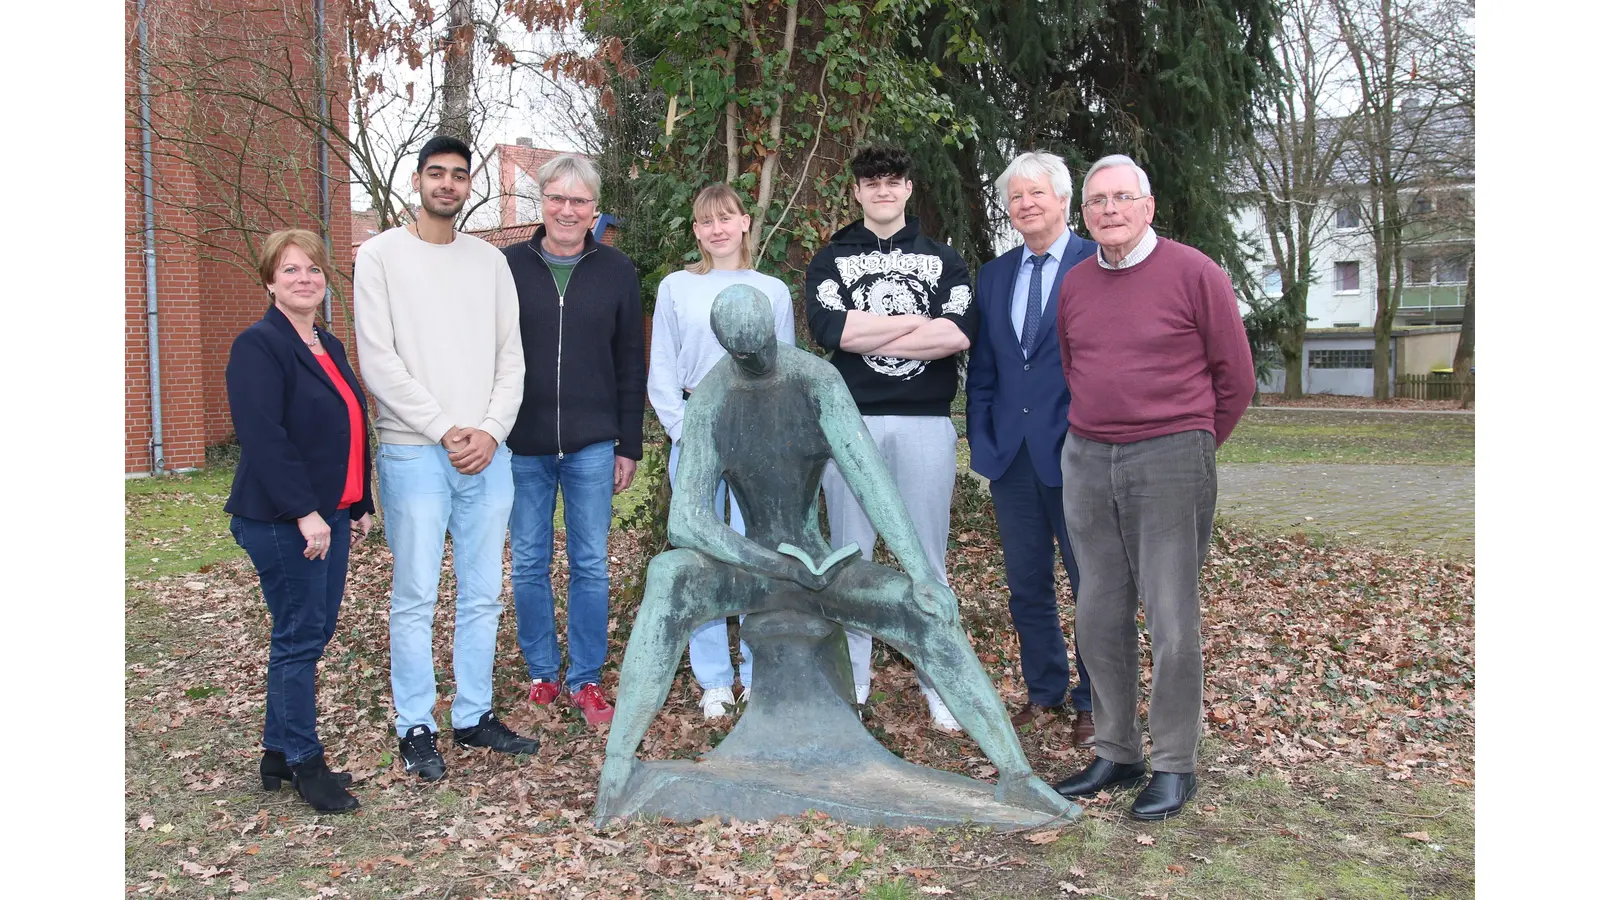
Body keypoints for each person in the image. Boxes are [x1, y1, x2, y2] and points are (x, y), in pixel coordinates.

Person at [594, 285, 1071, 822]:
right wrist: (772, 563)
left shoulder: (816, 380)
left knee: (925, 608)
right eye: (741, 354)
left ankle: (1018, 776)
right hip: (752, 568)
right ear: (727, 347)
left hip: (818, 566)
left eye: (760, 350)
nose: (753, 362)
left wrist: (919, 572)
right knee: (668, 576)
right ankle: (619, 766)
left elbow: (871, 480)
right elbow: (688, 521)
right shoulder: (711, 396)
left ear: (773, 335)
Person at [1049, 154, 1253, 821]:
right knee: (1098, 613)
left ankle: (1174, 763)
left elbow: (1236, 380)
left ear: (1148, 205)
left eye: (1120, 198)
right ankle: (1116, 749)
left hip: (1170, 458)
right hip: (1086, 458)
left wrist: (1189, 445)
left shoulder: (1196, 273)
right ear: (1085, 214)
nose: (1108, 210)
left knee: (1171, 619)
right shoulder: (1076, 283)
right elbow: (1077, 365)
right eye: (1096, 201)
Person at [354, 135, 538, 781]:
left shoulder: (489, 263)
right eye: (437, 174)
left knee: (484, 592)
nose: (448, 185)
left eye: (459, 176)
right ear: (417, 180)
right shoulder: (378, 257)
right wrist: (443, 429)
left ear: (468, 186)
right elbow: (378, 359)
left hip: (489, 454)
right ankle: (415, 724)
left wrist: (489, 430)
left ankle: (474, 714)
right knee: (415, 595)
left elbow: (511, 358)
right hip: (413, 452)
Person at [804, 144, 975, 732]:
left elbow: (954, 337)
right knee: (850, 555)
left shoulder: (944, 260)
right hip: (851, 425)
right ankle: (853, 681)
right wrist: (916, 327)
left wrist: (871, 332)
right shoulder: (831, 260)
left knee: (926, 556)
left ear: (908, 188)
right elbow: (833, 331)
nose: (882, 190)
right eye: (871, 182)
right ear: (857, 191)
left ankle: (940, 681)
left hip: (926, 423)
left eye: (893, 180)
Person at [225, 229, 374, 813]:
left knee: (307, 632)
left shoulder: (326, 344)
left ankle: (277, 753)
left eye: (312, 268)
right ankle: (306, 764)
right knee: (300, 636)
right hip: (285, 519)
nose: (304, 278)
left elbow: (346, 424)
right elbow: (265, 437)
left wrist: (357, 501)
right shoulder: (258, 345)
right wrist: (307, 512)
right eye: (290, 270)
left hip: (331, 515)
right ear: (269, 280)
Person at [502, 153, 646, 728]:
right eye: (557, 198)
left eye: (579, 201)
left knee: (591, 563)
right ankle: (542, 671)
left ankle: (586, 678)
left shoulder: (617, 271)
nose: (567, 209)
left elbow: (630, 362)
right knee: (530, 562)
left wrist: (627, 443)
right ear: (542, 204)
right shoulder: (507, 266)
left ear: (594, 211)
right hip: (521, 443)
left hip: (591, 445)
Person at [648, 183, 796, 719]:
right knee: (704, 555)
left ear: (743, 224)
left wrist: (769, 434)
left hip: (755, 432)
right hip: (695, 430)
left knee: (759, 550)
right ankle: (713, 678)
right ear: (696, 230)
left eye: (726, 217)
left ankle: (758, 672)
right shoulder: (677, 287)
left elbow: (785, 366)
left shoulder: (771, 290)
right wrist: (684, 429)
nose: (717, 229)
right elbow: (662, 364)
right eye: (706, 221)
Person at [967, 152, 1098, 744]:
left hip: (1079, 453)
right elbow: (986, 368)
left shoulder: (1095, 263)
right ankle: (1045, 691)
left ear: (1064, 200)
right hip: (1011, 457)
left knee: (1091, 580)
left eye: (1036, 193)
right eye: (1016, 196)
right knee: (1027, 583)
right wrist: (982, 438)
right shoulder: (994, 276)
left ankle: (1095, 702)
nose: (1025, 204)